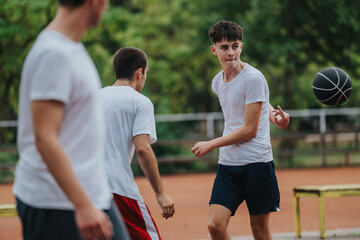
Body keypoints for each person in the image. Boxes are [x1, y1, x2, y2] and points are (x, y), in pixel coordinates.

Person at [13, 0, 130, 239]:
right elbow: (45, 138)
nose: (106, 7)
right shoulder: (53, 54)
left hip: (88, 195)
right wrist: (83, 205)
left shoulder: (71, 48)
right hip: (56, 202)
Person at [191, 20, 290, 240]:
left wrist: (211, 143)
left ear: (241, 47)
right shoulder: (217, 82)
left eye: (235, 46)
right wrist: (274, 116)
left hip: (257, 164)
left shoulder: (253, 78)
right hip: (229, 165)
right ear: (213, 49)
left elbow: (249, 130)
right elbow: (252, 106)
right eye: (224, 47)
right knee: (215, 226)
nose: (230, 53)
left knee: (259, 231)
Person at [99, 47, 175, 240]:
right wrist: (160, 193)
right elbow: (142, 149)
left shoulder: (95, 97)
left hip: (87, 186)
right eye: (146, 73)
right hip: (117, 186)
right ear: (139, 72)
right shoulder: (140, 102)